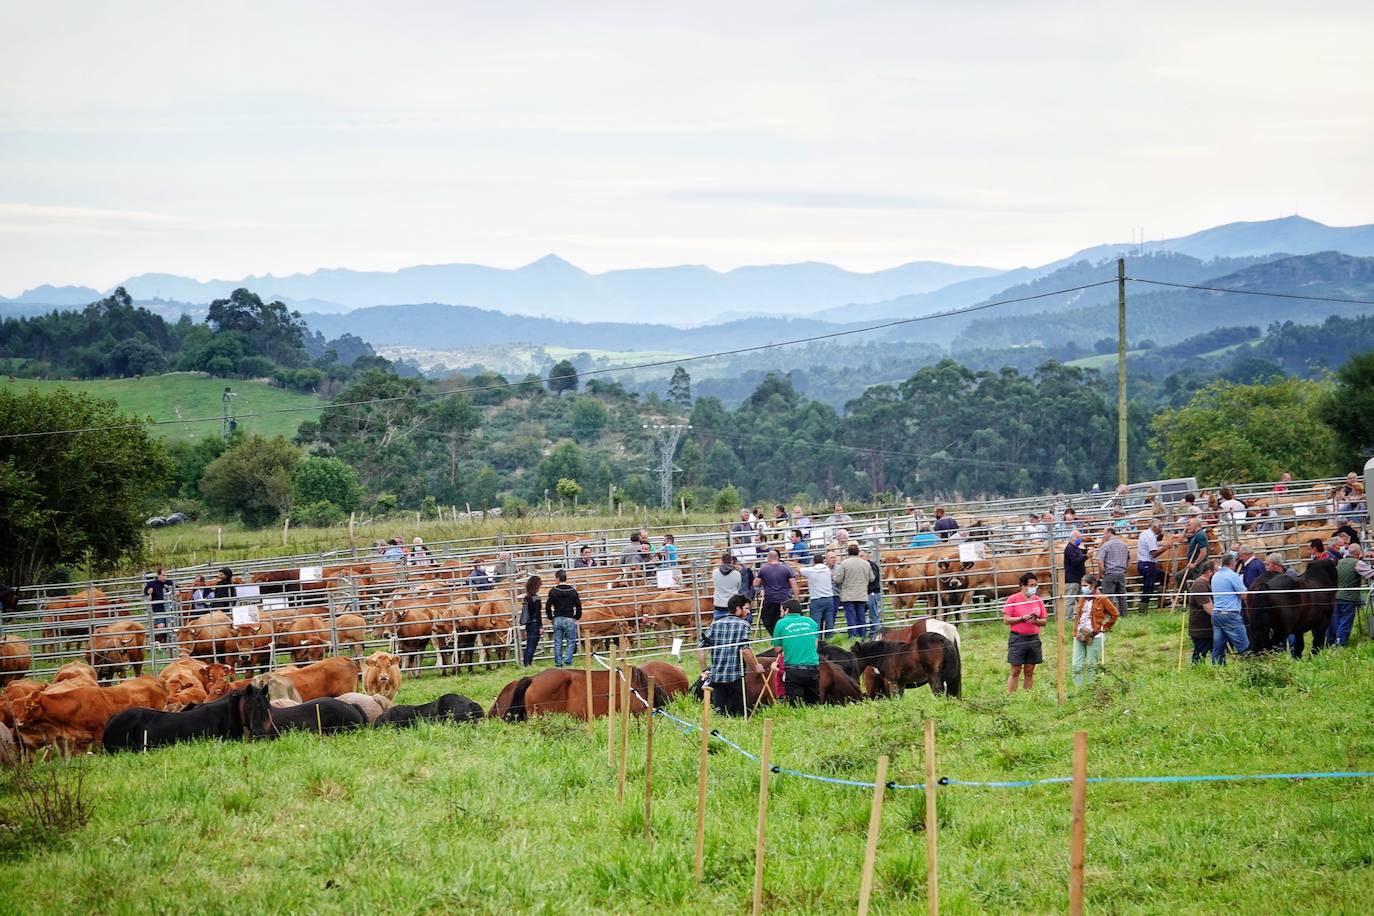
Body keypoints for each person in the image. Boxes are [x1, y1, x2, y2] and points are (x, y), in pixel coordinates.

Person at [700, 596, 752, 717]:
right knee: (739, 714)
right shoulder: (744, 625)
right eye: (747, 608)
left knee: (720, 714)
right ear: (738, 609)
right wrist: (755, 667)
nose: (749, 612)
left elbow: (701, 648)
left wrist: (704, 669)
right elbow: (745, 650)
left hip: (717, 676)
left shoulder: (715, 624)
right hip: (736, 676)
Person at [1003, 572, 1047, 693]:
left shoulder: (1038, 600)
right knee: (1015, 670)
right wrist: (1021, 618)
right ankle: (1011, 695)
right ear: (1023, 585)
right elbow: (1006, 619)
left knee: (1029, 670)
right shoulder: (1013, 599)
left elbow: (1044, 621)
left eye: (1035, 585)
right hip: (1018, 638)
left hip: (1033, 638)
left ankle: (1027, 695)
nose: (1034, 588)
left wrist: (1036, 621)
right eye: (1031, 585)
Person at [1072, 575, 1119, 686]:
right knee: (1076, 665)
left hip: (1095, 635)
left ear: (1092, 586)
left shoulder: (1102, 599)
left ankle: (1091, 687)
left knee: (1091, 664)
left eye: (1085, 586)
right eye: (1082, 586)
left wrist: (1105, 627)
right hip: (1079, 634)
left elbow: (1115, 614)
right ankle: (1078, 688)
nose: (1082, 588)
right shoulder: (1082, 597)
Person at [771, 599, 820, 705]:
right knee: (813, 704)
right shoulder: (811, 622)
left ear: (787, 610)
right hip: (813, 669)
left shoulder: (781, 623)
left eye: (781, 611)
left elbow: (778, 649)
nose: (780, 614)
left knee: (795, 705)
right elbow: (815, 645)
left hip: (793, 670)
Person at [1209, 553, 1248, 664]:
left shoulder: (1215, 576)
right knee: (1243, 645)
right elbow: (1244, 595)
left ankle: (1216, 669)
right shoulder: (1232, 576)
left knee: (1218, 647)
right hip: (1230, 615)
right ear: (1233, 563)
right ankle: (1250, 669)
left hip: (1217, 614)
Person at [832, 544, 875, 637]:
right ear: (858, 552)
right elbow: (872, 578)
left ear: (848, 553)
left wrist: (834, 577)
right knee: (861, 616)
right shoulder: (866, 563)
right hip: (862, 594)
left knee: (851, 616)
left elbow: (838, 579)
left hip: (848, 595)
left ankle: (852, 636)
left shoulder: (845, 563)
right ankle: (862, 636)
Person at [753, 549, 797, 636]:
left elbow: (755, 583)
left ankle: (775, 636)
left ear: (768, 558)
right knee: (784, 620)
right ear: (778, 558)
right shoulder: (786, 569)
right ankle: (783, 636)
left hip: (770, 599)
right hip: (784, 599)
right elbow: (794, 584)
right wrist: (797, 598)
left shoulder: (764, 569)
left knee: (768, 620)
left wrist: (761, 588)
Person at [1330, 543, 1365, 647]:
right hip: (1348, 597)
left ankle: (1335, 640)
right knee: (1346, 619)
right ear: (1358, 553)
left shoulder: (1339, 562)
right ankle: (1340, 643)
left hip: (1336, 595)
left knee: (1337, 619)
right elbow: (1370, 574)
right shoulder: (1357, 563)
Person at [546, 569, 582, 668]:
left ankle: (558, 662)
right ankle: (568, 660)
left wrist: (551, 617)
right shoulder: (572, 591)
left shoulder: (553, 591)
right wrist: (577, 617)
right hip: (569, 618)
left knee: (558, 641)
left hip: (557, 618)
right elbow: (578, 605)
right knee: (571, 640)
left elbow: (548, 606)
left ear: (558, 578)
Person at [1187, 560, 1217, 664]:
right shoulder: (1199, 584)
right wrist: (1219, 618)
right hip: (1201, 629)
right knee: (1200, 654)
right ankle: (1197, 672)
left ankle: (1218, 671)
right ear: (1209, 572)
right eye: (1216, 571)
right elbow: (1207, 606)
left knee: (1216, 651)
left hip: (1209, 627)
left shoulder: (1208, 583)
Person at [801, 552, 836, 636]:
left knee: (815, 623)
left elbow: (800, 570)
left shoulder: (810, 570)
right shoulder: (827, 570)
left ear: (813, 561)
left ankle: (816, 640)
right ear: (823, 561)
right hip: (829, 598)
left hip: (817, 599)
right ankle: (830, 639)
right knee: (829, 622)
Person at [1098, 526, 1129, 614]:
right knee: (1122, 596)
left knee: (1108, 596)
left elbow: (1100, 561)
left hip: (1109, 573)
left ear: (1109, 533)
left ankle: (1111, 615)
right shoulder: (1124, 545)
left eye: (1104, 534)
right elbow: (1129, 559)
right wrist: (1124, 569)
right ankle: (1124, 615)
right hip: (1121, 573)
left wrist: (1103, 572)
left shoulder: (1106, 545)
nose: (1104, 536)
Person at [1135, 520, 1165, 612]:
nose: (1161, 529)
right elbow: (1154, 554)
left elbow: (1158, 539)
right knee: (1148, 587)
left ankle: (1161, 600)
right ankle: (1142, 610)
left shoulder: (1145, 533)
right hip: (1148, 564)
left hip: (1143, 563)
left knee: (1163, 576)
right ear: (1155, 527)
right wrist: (1166, 548)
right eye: (1160, 527)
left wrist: (1161, 534)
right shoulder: (1150, 537)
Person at [144, 568, 174, 644]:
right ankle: (159, 640)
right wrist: (149, 593)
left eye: (166, 575)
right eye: (163, 575)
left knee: (171, 626)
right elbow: (146, 591)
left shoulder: (169, 583)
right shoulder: (152, 584)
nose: (165, 577)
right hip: (158, 610)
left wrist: (176, 592)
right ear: (158, 575)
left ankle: (167, 641)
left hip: (170, 610)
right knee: (161, 627)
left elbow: (177, 589)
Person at [519, 575, 543, 666]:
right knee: (532, 645)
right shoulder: (536, 598)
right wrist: (540, 626)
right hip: (535, 623)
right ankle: (528, 663)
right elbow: (538, 613)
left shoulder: (527, 597)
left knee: (529, 644)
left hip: (528, 624)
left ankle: (526, 662)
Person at [711, 552, 742, 619]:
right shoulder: (737, 574)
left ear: (721, 561)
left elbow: (715, 584)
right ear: (731, 561)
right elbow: (738, 587)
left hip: (719, 603)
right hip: (733, 603)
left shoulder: (715, 572)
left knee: (719, 625)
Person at [862, 548, 883, 639]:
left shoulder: (871, 566)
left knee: (873, 615)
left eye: (862, 556)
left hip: (872, 593)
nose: (860, 558)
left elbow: (872, 580)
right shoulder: (869, 565)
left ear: (868, 556)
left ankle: (875, 635)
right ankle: (872, 635)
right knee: (872, 614)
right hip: (869, 593)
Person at [1182, 518, 1210, 587]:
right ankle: (1188, 596)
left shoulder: (1200, 535)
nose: (1188, 527)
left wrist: (1195, 563)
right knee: (1179, 577)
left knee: (1199, 584)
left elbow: (1203, 552)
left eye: (1190, 525)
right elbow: (1181, 539)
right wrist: (1185, 529)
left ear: (1196, 525)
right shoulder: (1194, 535)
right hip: (1193, 565)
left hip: (1199, 566)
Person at [1063, 529, 1087, 605]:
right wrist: (1086, 556)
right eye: (1078, 537)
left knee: (1082, 600)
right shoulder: (1070, 548)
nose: (1080, 540)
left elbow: (1079, 553)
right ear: (1073, 538)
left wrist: (1086, 551)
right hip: (1072, 580)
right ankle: (1068, 617)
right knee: (1070, 601)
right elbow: (1075, 562)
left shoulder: (1075, 548)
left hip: (1078, 579)